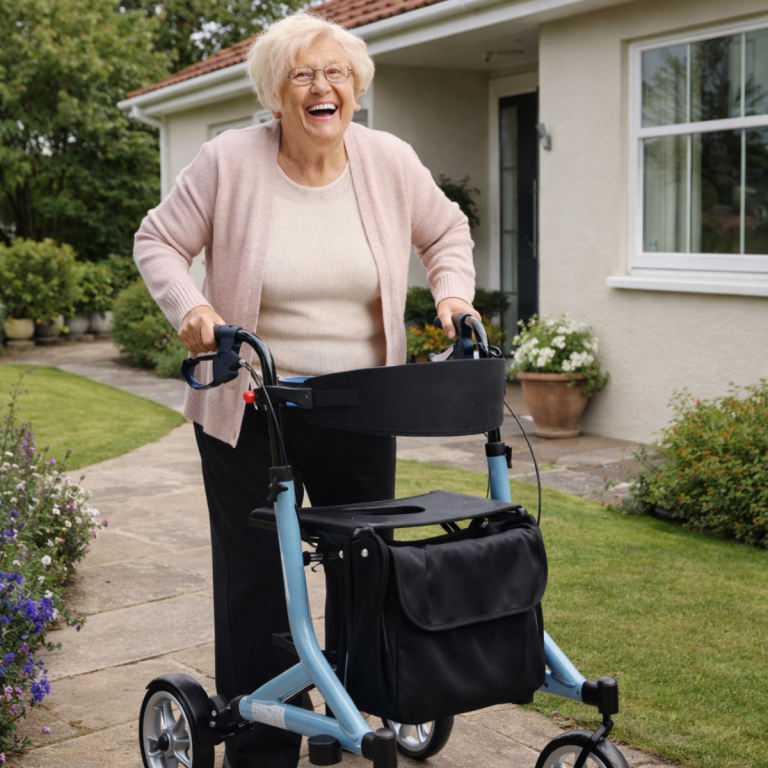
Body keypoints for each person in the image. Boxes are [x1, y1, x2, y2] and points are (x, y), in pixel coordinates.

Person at [134, 12, 479, 767]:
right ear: (275, 93)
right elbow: (157, 240)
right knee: (261, 580)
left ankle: (355, 715)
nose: (322, 87)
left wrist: (452, 296)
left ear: (355, 86)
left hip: (362, 404)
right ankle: (265, 745)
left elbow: (446, 233)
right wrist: (192, 307)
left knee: (366, 566)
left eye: (336, 73)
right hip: (254, 407)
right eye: (302, 74)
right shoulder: (230, 161)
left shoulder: (388, 161)